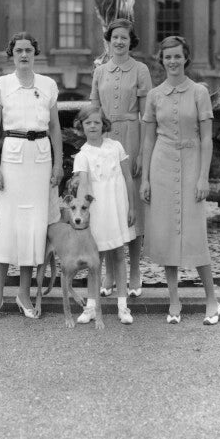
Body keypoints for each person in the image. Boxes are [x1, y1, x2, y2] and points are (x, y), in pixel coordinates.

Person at [140, 36, 220, 325]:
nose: (172, 61)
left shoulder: (199, 92)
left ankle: (212, 299)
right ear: (161, 60)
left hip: (191, 162)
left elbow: (207, 139)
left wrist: (203, 177)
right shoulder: (154, 95)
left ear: (186, 58)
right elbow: (148, 139)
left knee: (195, 233)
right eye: (167, 57)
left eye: (177, 56)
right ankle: (174, 300)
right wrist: (146, 179)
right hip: (161, 165)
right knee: (166, 236)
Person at [0, 32, 63, 320]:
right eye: (19, 50)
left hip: (40, 159)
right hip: (12, 158)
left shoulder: (48, 85)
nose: (24, 55)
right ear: (12, 54)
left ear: (35, 53)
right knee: (7, 225)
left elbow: (55, 128)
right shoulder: (1, 86)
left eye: (29, 49)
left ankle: (23, 294)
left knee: (34, 227)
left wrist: (58, 164)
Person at [90, 18, 152, 298]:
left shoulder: (140, 70)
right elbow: (93, 111)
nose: (119, 42)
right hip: (104, 140)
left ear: (131, 41)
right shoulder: (100, 72)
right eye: (115, 37)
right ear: (108, 40)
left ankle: (135, 270)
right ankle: (111, 273)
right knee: (105, 205)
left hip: (131, 136)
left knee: (132, 206)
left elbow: (148, 116)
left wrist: (140, 153)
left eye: (124, 38)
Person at [72, 103, 136, 325]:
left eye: (96, 122)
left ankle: (122, 306)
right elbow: (83, 186)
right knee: (94, 261)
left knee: (118, 256)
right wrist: (81, 213)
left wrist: (132, 207)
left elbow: (127, 178)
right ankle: (91, 306)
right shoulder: (82, 155)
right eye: (87, 123)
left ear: (103, 124)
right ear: (82, 126)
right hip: (97, 213)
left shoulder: (116, 147)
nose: (92, 126)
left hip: (117, 208)